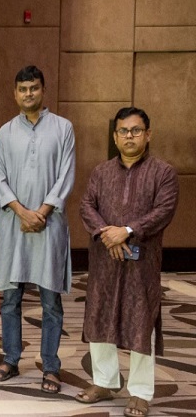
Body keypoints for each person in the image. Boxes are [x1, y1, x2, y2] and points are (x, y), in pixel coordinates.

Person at [75, 107, 179, 417]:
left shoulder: (163, 173)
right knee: (99, 317)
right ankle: (104, 382)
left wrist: (128, 231)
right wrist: (106, 233)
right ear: (115, 136)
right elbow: (86, 205)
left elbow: (163, 210)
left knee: (141, 323)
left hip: (141, 263)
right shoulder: (101, 172)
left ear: (148, 135)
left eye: (136, 130)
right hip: (105, 259)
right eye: (123, 131)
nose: (129, 136)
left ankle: (141, 392)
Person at [0, 65, 75, 394]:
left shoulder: (63, 128)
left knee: (50, 301)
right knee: (10, 298)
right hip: (14, 225)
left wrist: (41, 212)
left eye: (34, 88)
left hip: (48, 225)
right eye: (23, 89)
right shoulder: (5, 132)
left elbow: (66, 175)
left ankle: (50, 366)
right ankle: (10, 358)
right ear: (15, 94)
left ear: (43, 90)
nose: (28, 94)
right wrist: (22, 212)